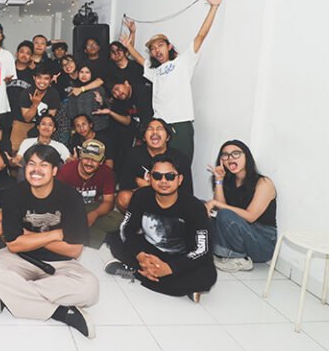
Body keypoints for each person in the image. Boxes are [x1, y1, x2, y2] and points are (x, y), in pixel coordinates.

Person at [0, 144, 99, 339]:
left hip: (60, 263)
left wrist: (28, 235)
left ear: (54, 170)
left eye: (44, 165)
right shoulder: (13, 194)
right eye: (31, 164)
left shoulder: (71, 197)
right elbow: (14, 245)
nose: (36, 170)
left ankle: (9, 296)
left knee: (90, 288)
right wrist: (56, 234)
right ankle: (61, 313)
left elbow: (74, 251)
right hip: (21, 258)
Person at [120, 0, 226, 162]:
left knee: (181, 165)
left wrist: (214, 7)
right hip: (159, 125)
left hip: (180, 123)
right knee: (159, 166)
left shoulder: (183, 62)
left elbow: (200, 36)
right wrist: (129, 45)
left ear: (169, 47)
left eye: (160, 45)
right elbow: (140, 60)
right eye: (153, 48)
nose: (156, 50)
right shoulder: (155, 72)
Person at [105, 155, 216, 301]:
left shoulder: (194, 207)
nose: (163, 181)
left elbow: (203, 250)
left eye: (170, 176)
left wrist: (170, 268)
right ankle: (176, 286)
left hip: (180, 258)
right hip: (150, 251)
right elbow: (127, 229)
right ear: (149, 178)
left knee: (208, 275)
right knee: (115, 239)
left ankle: (137, 273)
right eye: (157, 176)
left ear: (179, 179)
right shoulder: (140, 196)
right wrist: (141, 256)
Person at [206, 140, 277, 272]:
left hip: (262, 243)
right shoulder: (230, 180)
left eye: (236, 153)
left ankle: (238, 259)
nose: (230, 158)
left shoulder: (264, 183)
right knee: (200, 206)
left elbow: (250, 216)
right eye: (225, 155)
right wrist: (219, 180)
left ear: (247, 157)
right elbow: (220, 208)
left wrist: (216, 203)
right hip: (240, 233)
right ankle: (217, 252)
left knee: (224, 213)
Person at [56, 139, 123, 248]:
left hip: (91, 207)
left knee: (118, 221)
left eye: (94, 160)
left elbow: (108, 201)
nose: (89, 163)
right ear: (80, 156)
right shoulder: (67, 170)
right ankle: (102, 237)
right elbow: (56, 197)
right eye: (86, 158)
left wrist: (94, 214)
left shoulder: (107, 173)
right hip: (69, 208)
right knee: (57, 222)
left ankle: (76, 234)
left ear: (101, 161)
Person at [118, 118, 193, 212]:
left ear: (167, 137)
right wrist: (141, 184)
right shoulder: (133, 154)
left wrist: (148, 184)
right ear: (144, 137)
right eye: (150, 129)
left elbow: (187, 191)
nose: (155, 132)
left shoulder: (180, 158)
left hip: (170, 200)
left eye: (159, 129)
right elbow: (125, 184)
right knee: (123, 197)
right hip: (144, 198)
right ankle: (139, 219)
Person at [93, 73, 154, 169]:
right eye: (114, 93)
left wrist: (140, 139)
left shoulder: (142, 92)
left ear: (126, 83)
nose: (117, 94)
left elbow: (147, 118)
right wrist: (110, 112)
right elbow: (127, 121)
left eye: (117, 89)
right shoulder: (121, 100)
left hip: (153, 127)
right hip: (139, 132)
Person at [12, 63, 61, 152]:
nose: (42, 81)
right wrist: (35, 105)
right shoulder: (26, 93)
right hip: (23, 123)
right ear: (34, 78)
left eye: (46, 78)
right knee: (17, 151)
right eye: (39, 78)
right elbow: (27, 119)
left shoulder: (54, 94)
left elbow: (51, 118)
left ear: (50, 80)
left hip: (42, 125)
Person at [5, 41, 35, 151]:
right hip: (4, 116)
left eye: (28, 53)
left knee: (17, 151)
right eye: (22, 51)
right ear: (16, 53)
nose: (24, 55)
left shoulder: (34, 75)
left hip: (22, 120)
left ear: (31, 57)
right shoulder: (7, 70)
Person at [67, 65, 109, 133]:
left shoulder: (99, 89)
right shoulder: (75, 89)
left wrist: (101, 102)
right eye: (81, 72)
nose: (84, 75)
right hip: (81, 129)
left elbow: (107, 110)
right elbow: (71, 113)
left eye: (87, 72)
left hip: (99, 128)